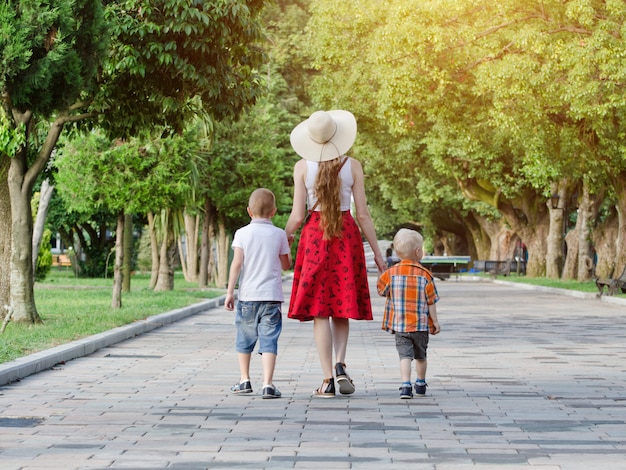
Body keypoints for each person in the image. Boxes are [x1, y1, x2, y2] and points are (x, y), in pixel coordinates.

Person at [285, 110, 386, 398]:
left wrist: (283, 238)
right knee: (341, 306)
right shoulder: (352, 166)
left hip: (315, 235)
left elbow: (296, 215)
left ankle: (327, 379)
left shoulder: (302, 167)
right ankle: (341, 364)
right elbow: (363, 215)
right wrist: (377, 253)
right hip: (346, 235)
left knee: (320, 312)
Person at [225, 188, 292, 399]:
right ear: (273, 212)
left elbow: (237, 264)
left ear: (249, 211)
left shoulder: (242, 233)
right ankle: (268, 384)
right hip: (271, 296)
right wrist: (287, 246)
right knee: (269, 339)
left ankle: (244, 380)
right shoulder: (279, 234)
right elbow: (285, 266)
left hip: (248, 296)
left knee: (244, 337)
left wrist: (229, 292)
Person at [377, 228, 441, 399]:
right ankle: (420, 382)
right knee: (421, 356)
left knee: (404, 356)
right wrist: (434, 321)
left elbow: (381, 291)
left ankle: (405, 385)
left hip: (400, 325)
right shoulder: (426, 275)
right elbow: (431, 301)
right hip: (420, 326)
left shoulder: (390, 274)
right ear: (418, 252)